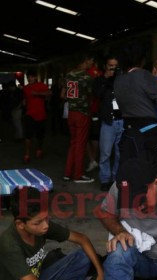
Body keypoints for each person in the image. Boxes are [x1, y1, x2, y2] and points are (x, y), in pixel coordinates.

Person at [0, 186, 104, 280]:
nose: (45, 226)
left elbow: (81, 239)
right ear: (20, 224)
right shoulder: (8, 243)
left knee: (83, 256)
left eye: (46, 218)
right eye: (38, 222)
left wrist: (100, 272)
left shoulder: (41, 225)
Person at [113, 41, 157, 175]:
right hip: (149, 131)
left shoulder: (118, 80)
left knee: (131, 172)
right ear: (142, 59)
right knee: (153, 172)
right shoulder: (144, 75)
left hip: (128, 130)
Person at [62, 54, 95, 183]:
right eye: (90, 61)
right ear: (85, 61)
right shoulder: (86, 76)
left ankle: (67, 173)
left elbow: (63, 94)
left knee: (73, 143)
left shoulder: (69, 75)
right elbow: (91, 94)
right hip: (82, 113)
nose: (91, 63)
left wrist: (73, 101)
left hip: (71, 113)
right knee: (80, 145)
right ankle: (78, 175)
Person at [93, 55, 124, 192]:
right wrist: (106, 78)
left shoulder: (122, 79)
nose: (112, 68)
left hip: (122, 120)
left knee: (120, 153)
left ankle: (116, 178)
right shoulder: (99, 80)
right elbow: (97, 94)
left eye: (114, 65)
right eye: (110, 65)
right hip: (108, 121)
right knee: (105, 153)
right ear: (106, 66)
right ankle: (105, 179)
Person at [22, 70, 51, 163]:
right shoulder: (25, 88)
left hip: (41, 115)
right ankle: (27, 154)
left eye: (31, 77)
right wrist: (24, 102)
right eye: (28, 77)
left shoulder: (41, 85)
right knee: (28, 135)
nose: (30, 79)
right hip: (29, 114)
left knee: (40, 136)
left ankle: (39, 149)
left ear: (35, 77)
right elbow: (25, 98)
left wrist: (38, 94)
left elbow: (50, 93)